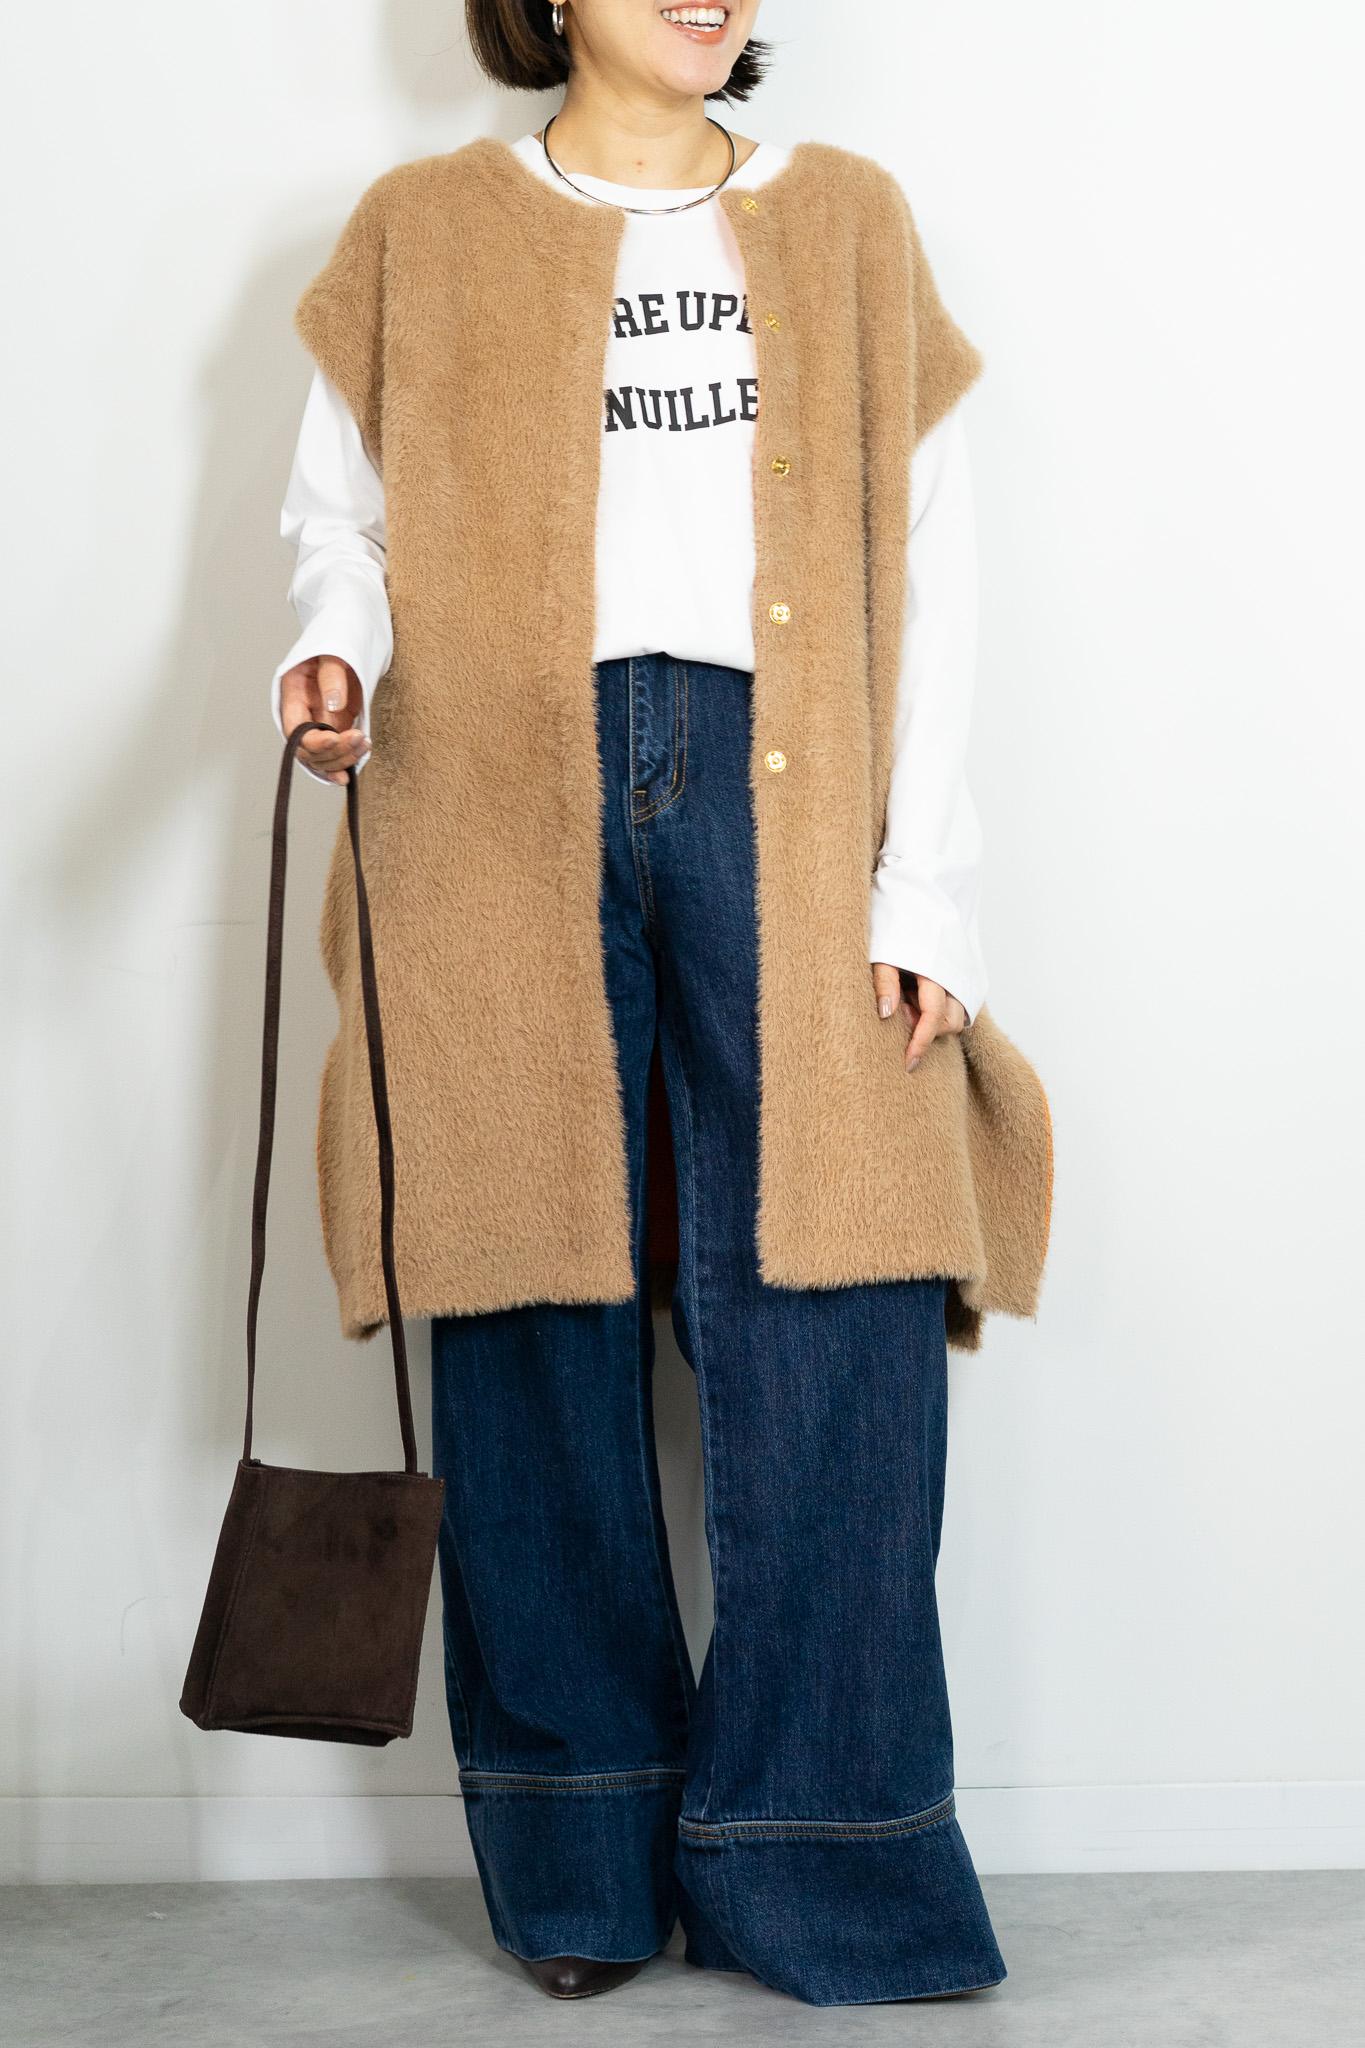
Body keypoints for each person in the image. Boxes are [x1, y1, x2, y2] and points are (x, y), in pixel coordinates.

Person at [270, 0, 1053, 2010]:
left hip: (788, 803)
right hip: (485, 803)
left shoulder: (848, 220)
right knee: (524, 1292)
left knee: (837, 1305)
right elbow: (342, 514)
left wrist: (924, 884)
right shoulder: (423, 228)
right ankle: (579, 1850)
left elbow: (936, 556)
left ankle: (827, 1861)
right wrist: (333, 651)